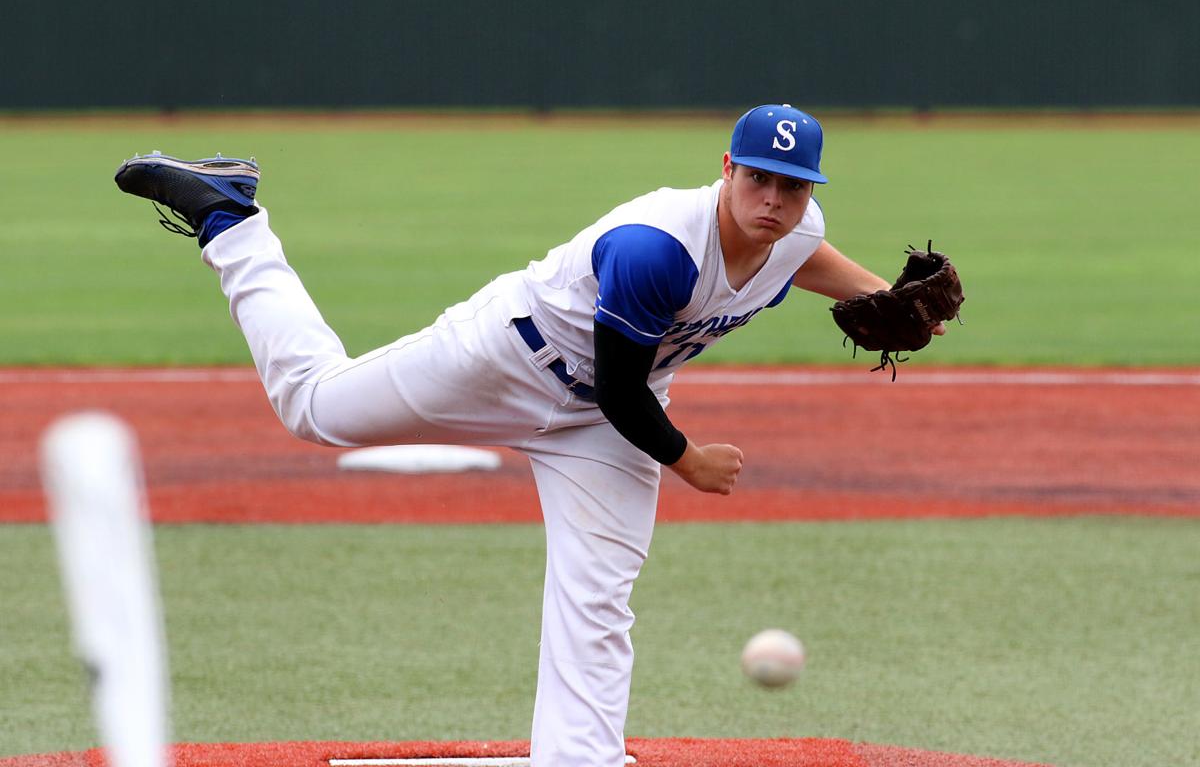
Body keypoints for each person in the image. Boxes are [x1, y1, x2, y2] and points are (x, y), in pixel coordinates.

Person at [115, 104, 940, 767]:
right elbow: (619, 387)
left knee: (598, 594)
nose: (774, 200)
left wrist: (878, 292)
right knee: (314, 409)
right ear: (725, 169)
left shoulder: (794, 226)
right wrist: (689, 460)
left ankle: (579, 758)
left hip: (606, 421)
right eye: (758, 177)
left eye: (792, 186)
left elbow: (803, 254)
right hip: (505, 360)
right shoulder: (658, 248)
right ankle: (232, 219)